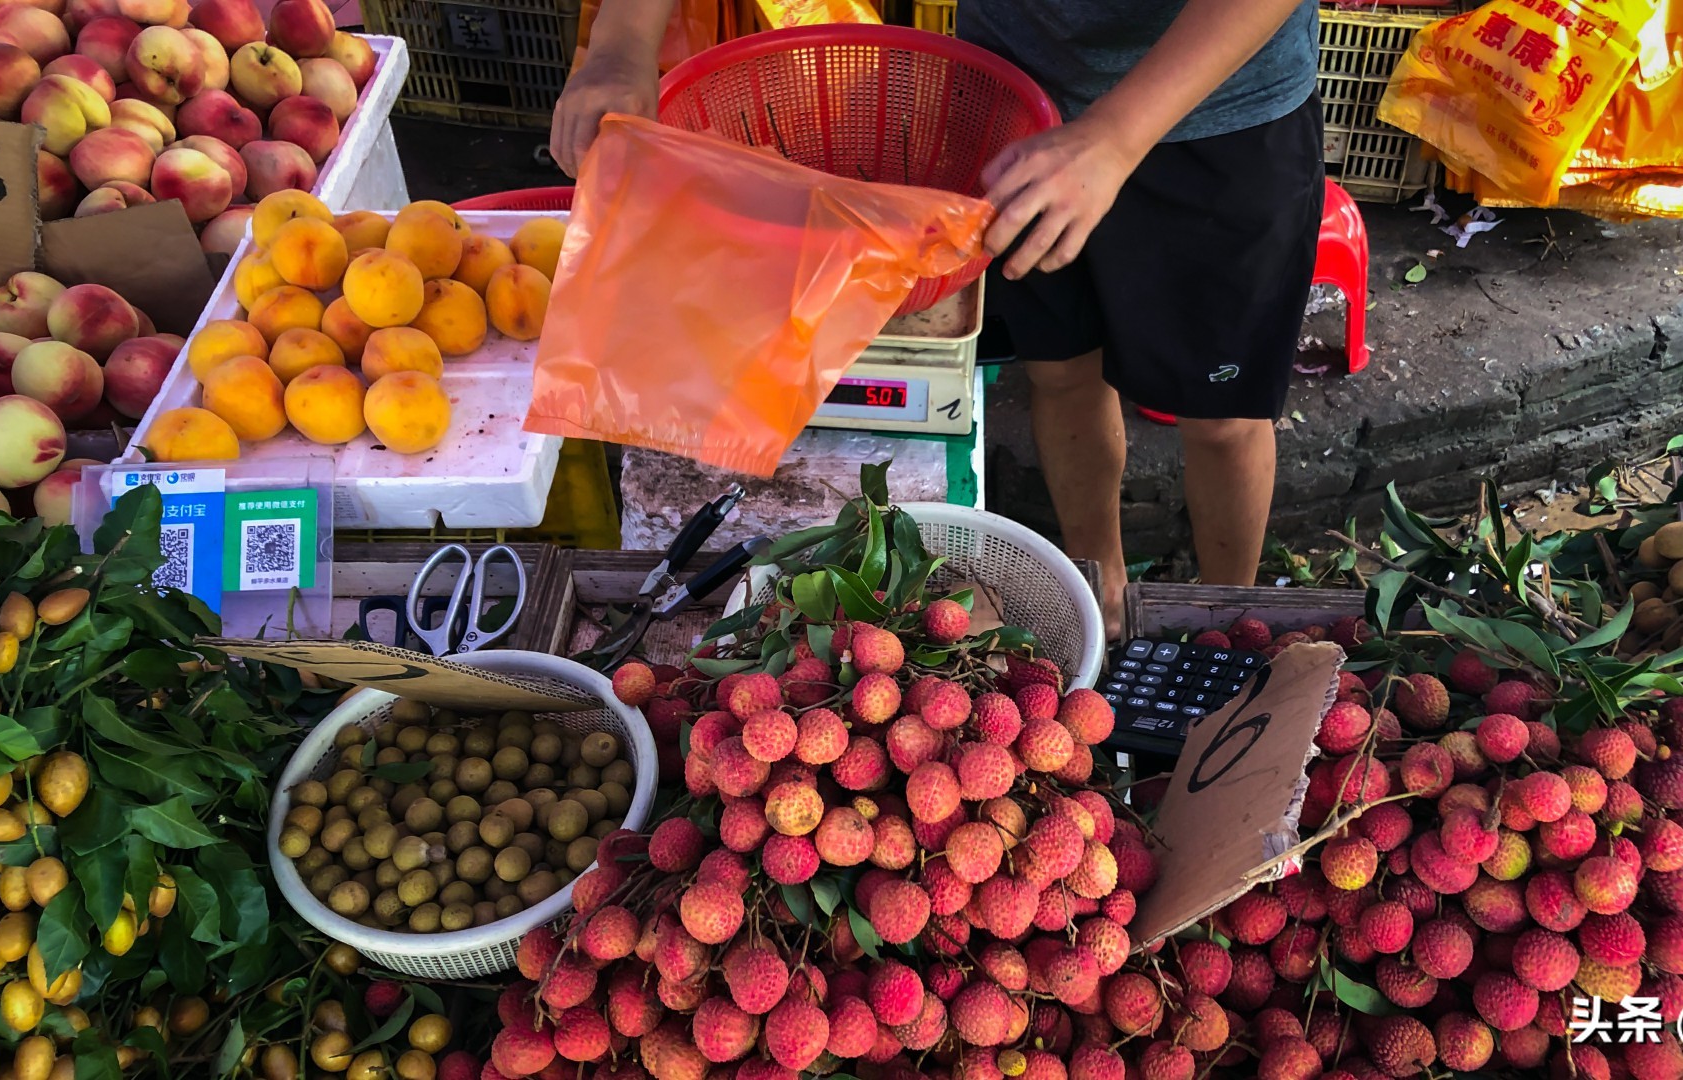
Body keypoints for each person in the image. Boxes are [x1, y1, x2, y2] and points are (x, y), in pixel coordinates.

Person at [550, 0, 1321, 636]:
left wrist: (1114, 138)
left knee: (1221, 418)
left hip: (1217, 113)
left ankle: (1235, 620)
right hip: (1015, 96)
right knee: (1062, 373)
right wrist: (619, 44)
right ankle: (1101, 596)